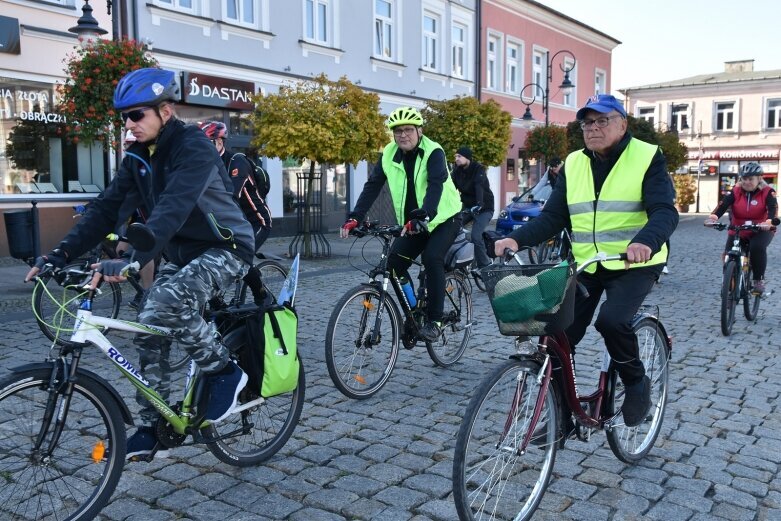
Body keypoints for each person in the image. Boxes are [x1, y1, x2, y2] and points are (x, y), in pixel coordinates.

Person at [25, 68, 256, 459]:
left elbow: (174, 206)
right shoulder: (137, 156)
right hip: (179, 252)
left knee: (167, 300)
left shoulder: (192, 146)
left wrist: (133, 254)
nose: (129, 125)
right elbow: (106, 209)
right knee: (148, 326)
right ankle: (155, 426)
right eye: (124, 117)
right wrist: (59, 255)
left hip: (225, 247)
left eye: (136, 115)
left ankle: (223, 371)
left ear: (165, 111)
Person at [493, 94, 678, 427]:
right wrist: (515, 239)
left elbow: (665, 211)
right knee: (557, 334)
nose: (593, 128)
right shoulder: (575, 162)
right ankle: (561, 414)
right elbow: (554, 217)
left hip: (633, 263)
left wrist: (645, 242)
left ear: (623, 123)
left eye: (602, 121)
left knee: (611, 321)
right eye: (587, 123)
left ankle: (636, 381)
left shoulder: (648, 157)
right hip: (587, 263)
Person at [340, 106, 462, 341]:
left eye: (408, 130)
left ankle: (435, 320)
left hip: (445, 217)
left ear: (419, 131)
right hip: (412, 223)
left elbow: (436, 185)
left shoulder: (434, 152)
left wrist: (425, 215)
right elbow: (373, 185)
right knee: (393, 265)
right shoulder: (388, 153)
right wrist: (356, 217)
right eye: (397, 131)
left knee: (432, 258)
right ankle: (415, 312)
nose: (403, 135)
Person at [200, 121, 271, 304]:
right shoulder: (208, 164)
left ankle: (262, 295)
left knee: (240, 256)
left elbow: (231, 197)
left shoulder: (236, 162)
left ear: (220, 142)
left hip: (256, 221)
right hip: (232, 224)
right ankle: (217, 305)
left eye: (208, 143)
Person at [707, 161, 776, 294]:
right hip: (738, 228)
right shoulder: (736, 190)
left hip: (761, 229)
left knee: (756, 247)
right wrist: (714, 217)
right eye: (744, 178)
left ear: (759, 179)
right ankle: (730, 289)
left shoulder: (768, 191)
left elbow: (772, 208)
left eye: (751, 179)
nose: (747, 182)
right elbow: (723, 204)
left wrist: (769, 222)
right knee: (728, 256)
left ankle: (758, 280)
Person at [451, 146, 495, 270]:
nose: (456, 159)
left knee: (476, 236)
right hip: (468, 207)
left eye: (459, 156)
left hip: (484, 207)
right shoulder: (457, 171)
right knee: (452, 228)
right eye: (455, 156)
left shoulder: (478, 169)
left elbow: (479, 186)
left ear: (467, 158)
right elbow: (449, 188)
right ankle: (462, 258)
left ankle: (485, 265)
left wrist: (480, 204)